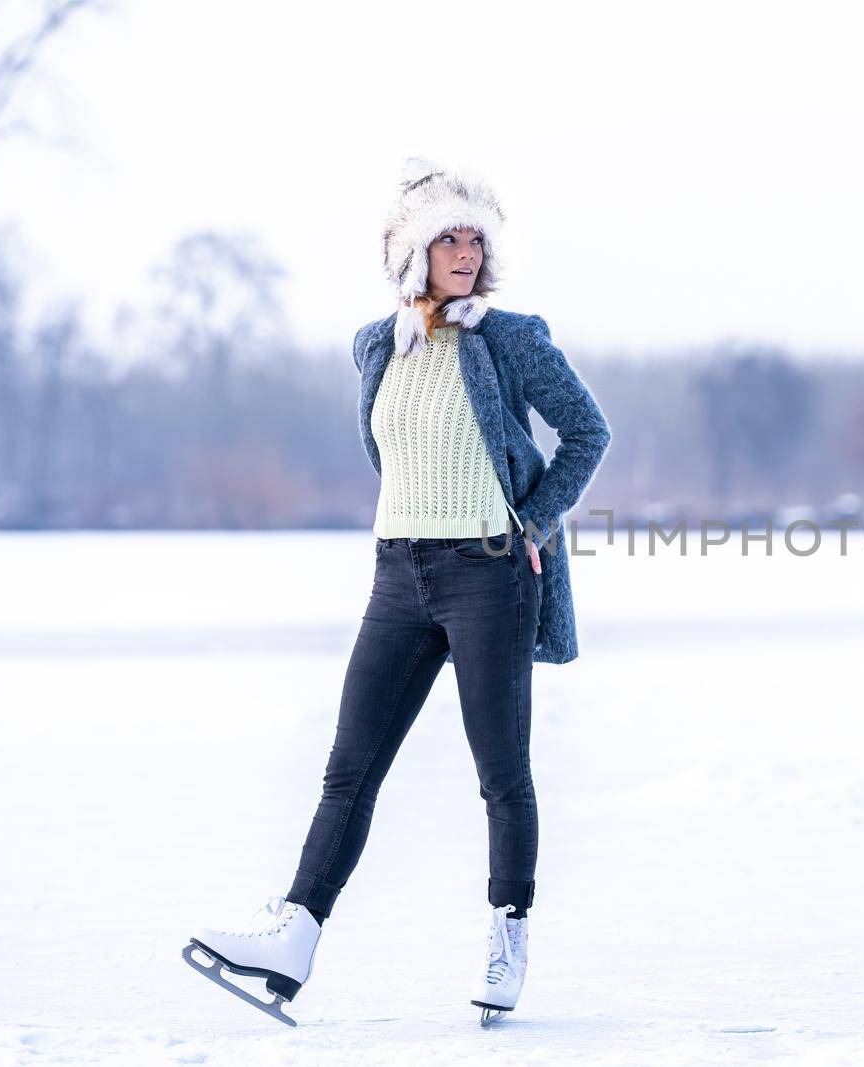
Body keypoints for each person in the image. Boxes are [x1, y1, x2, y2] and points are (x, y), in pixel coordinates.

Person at [186, 159, 612, 1026]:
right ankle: (294, 936)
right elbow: (396, 454)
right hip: (398, 575)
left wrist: (530, 523)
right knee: (349, 768)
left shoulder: (511, 336)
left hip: (490, 572)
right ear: (411, 253)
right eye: (446, 238)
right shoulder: (380, 343)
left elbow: (587, 431)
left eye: (475, 238)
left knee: (502, 772)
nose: (464, 252)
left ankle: (507, 937)